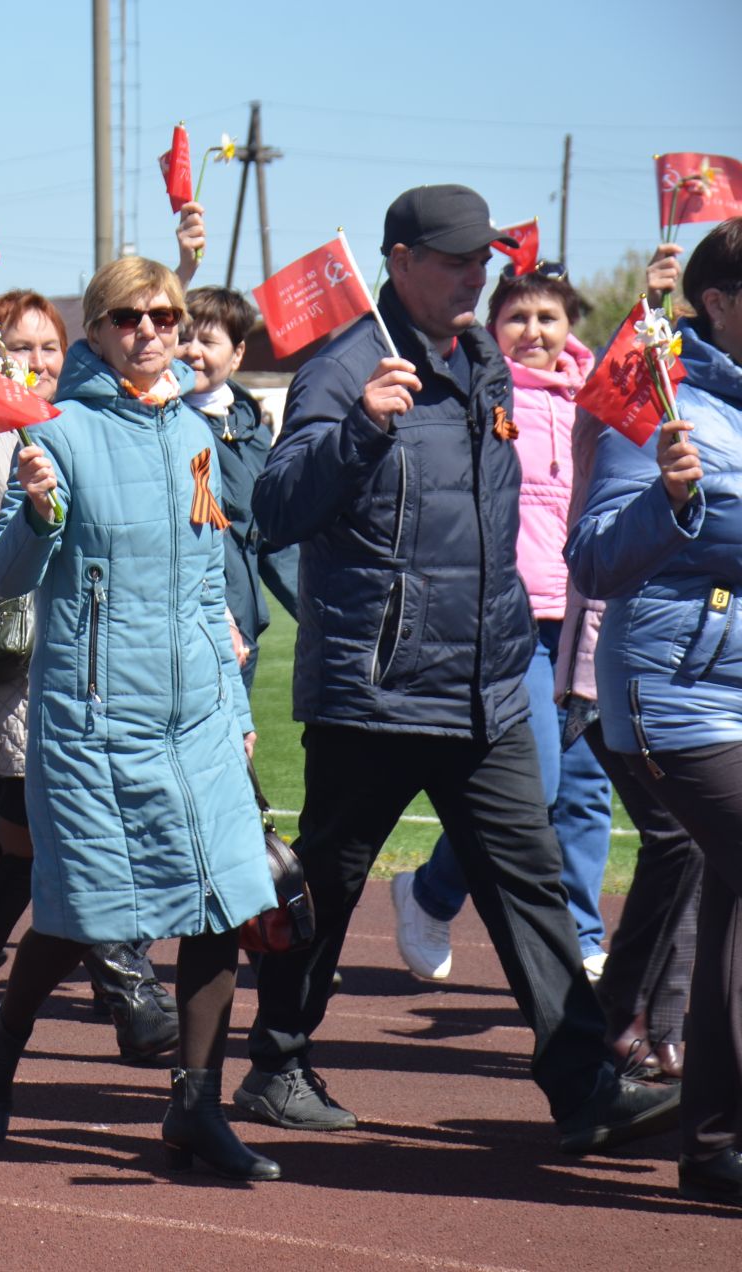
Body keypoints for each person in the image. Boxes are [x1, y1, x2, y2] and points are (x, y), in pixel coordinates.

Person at [241, 183, 678, 1155]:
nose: (476, 277)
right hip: (378, 687)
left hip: (483, 680)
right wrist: (357, 428)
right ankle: (276, 1064)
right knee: (328, 880)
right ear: (399, 260)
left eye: (483, 260)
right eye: (455, 261)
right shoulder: (346, 364)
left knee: (530, 883)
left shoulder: (479, 357)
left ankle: (583, 1085)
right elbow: (274, 507)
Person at [0, 257, 279, 1180]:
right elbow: (10, 574)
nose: (150, 331)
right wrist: (34, 510)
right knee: (84, 914)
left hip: (200, 713)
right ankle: (0, 1046)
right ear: (97, 331)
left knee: (222, 899)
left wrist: (232, 692)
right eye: (128, 317)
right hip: (97, 716)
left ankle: (196, 1108)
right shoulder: (55, 433)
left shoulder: (192, 431)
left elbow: (211, 567)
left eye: (165, 316)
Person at [0, 287, 179, 1064]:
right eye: (21, 347)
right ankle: (131, 993)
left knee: (24, 834)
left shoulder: (84, 419)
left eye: (50, 346)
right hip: (12, 657)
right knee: (66, 823)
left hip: (95, 652)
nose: (39, 361)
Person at [567, 216, 742, 1204]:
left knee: (732, 902)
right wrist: (665, 503)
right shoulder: (661, 390)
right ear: (717, 301)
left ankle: (714, 1141)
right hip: (673, 701)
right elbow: (590, 555)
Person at [390, 264, 616, 983]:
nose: (535, 332)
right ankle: (430, 891)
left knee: (584, 792)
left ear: (571, 328)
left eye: (549, 318)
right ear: (494, 327)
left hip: (584, 617)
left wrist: (661, 290)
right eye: (518, 318)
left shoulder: (598, 397)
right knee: (537, 786)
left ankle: (582, 935)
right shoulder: (481, 390)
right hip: (509, 619)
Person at [178, 286, 301, 693]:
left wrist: (324, 617)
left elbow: (272, 536)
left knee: (235, 753)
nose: (191, 351)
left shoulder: (252, 431)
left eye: (207, 341)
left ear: (237, 354)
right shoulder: (161, 420)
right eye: (182, 338)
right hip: (187, 629)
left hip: (242, 635)